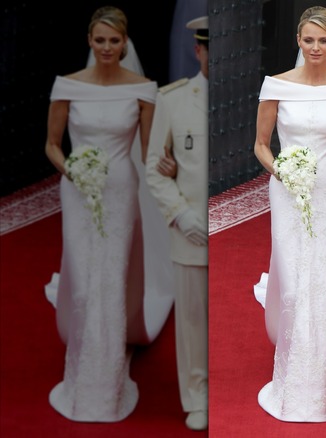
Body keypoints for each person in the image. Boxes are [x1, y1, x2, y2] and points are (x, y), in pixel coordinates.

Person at [252, 6, 326, 422]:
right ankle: (289, 375)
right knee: (292, 283)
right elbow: (262, 146)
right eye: (309, 40)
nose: (316, 47)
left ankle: (314, 385)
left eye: (323, 40)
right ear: (298, 42)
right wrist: (281, 169)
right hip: (286, 192)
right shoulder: (276, 86)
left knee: (319, 281)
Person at [44, 5, 161, 422]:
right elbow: (53, 145)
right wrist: (72, 169)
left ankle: (107, 385)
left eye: (114, 40)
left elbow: (149, 153)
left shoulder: (144, 88)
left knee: (111, 280)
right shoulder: (68, 86)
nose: (107, 47)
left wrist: (171, 168)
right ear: (89, 41)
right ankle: (80, 378)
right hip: (77, 192)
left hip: (120, 193)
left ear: (125, 42)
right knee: (82, 281)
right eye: (100, 40)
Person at [145, 15, 209, 430]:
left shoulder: (245, 98)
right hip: (190, 230)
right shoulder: (172, 99)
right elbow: (154, 167)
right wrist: (180, 214)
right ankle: (197, 396)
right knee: (190, 319)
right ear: (198, 50)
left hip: (229, 227)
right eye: (207, 48)